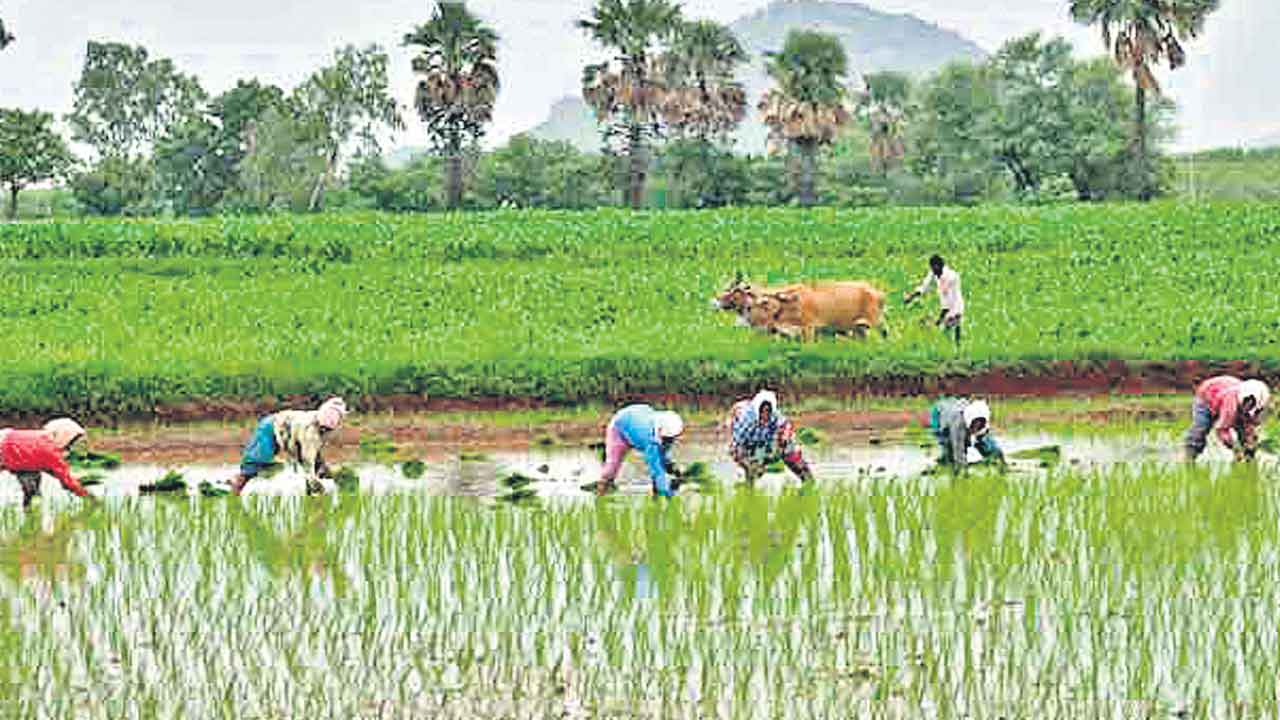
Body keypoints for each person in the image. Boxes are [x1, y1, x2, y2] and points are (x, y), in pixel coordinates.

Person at [231, 397, 349, 496]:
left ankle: (313, 496)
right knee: (255, 463)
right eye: (325, 428)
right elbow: (307, 459)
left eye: (328, 428)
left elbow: (313, 450)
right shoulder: (309, 429)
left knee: (319, 466)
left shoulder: (326, 425)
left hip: (291, 433)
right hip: (271, 428)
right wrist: (314, 482)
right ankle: (235, 490)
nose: (327, 429)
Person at [0, 418, 95, 508]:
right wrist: (87, 496)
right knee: (32, 489)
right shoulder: (51, 452)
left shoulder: (43, 439)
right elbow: (66, 480)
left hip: (10, 446)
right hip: (5, 449)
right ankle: (29, 512)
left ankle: (29, 513)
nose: (70, 445)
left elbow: (49, 468)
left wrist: (73, 482)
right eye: (72, 441)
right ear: (64, 437)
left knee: (32, 487)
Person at [728, 390, 814, 484]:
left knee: (792, 454)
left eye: (768, 411)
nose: (765, 415)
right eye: (762, 411)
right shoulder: (746, 421)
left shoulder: (774, 416)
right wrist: (750, 464)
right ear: (757, 410)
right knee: (753, 469)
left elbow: (786, 425)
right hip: (749, 443)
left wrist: (785, 437)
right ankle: (748, 485)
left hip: (767, 439)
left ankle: (807, 480)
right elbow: (736, 448)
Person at [598, 404, 685, 498]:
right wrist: (668, 494)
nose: (670, 442)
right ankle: (602, 488)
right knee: (612, 467)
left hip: (638, 416)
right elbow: (656, 469)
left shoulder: (664, 429)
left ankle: (658, 491)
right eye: (668, 439)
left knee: (661, 459)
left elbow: (662, 453)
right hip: (620, 429)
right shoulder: (649, 439)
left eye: (672, 438)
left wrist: (671, 467)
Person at [1184, 376, 1269, 463]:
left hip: (1226, 390)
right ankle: (1189, 456)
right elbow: (1222, 430)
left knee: (1246, 435)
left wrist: (1251, 441)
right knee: (1201, 427)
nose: (1249, 408)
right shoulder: (1231, 405)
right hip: (1207, 396)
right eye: (1248, 405)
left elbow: (1251, 425)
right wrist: (1234, 447)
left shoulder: (1258, 406)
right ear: (1245, 399)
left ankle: (1248, 460)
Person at [929, 397, 1005, 471]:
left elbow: (988, 442)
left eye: (979, 425)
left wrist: (1000, 459)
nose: (976, 428)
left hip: (957, 409)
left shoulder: (982, 420)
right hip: (941, 416)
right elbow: (958, 449)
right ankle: (945, 458)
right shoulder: (958, 425)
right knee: (950, 449)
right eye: (975, 425)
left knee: (984, 443)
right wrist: (962, 468)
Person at [904, 255, 964, 345]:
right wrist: (911, 297)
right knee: (947, 331)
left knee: (949, 328)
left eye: (933, 268)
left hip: (955, 307)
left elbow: (949, 301)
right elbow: (924, 286)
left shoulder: (951, 278)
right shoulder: (935, 273)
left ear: (938, 266)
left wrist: (940, 319)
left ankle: (956, 348)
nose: (932, 270)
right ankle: (955, 348)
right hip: (947, 305)